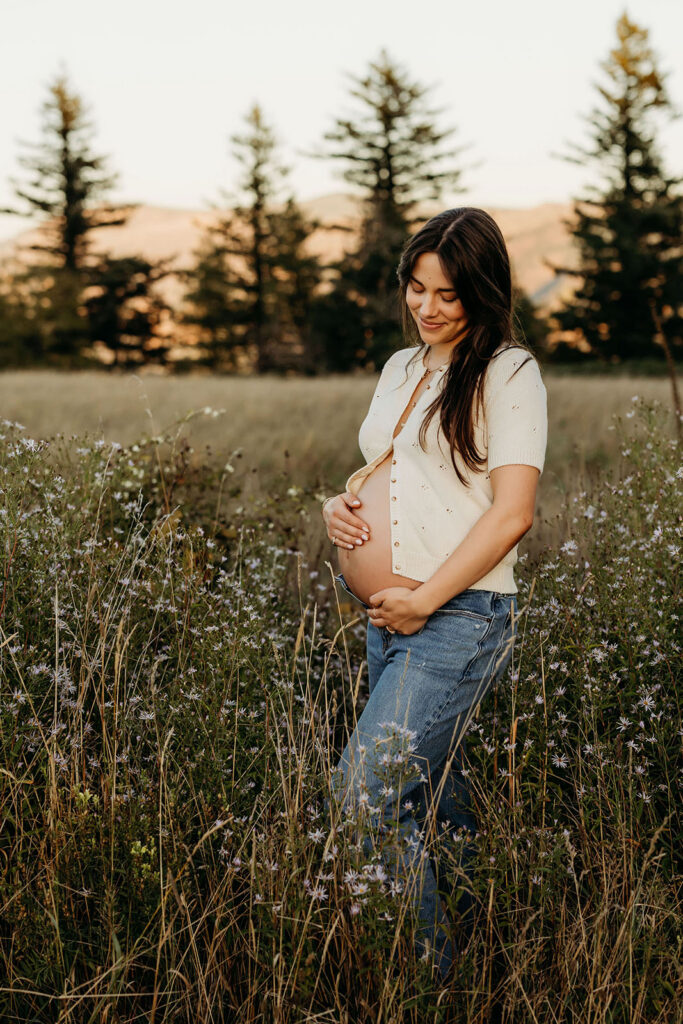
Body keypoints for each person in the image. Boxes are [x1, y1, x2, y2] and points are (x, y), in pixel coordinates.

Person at [321, 207, 548, 982]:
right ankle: (488, 954)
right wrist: (338, 504)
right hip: (390, 619)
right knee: (427, 798)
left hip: (455, 616)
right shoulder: (399, 366)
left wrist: (424, 601)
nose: (426, 307)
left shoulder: (507, 371)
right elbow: (395, 469)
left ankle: (432, 984)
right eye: (415, 288)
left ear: (481, 291)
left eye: (446, 294)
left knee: (364, 797)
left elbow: (511, 513)